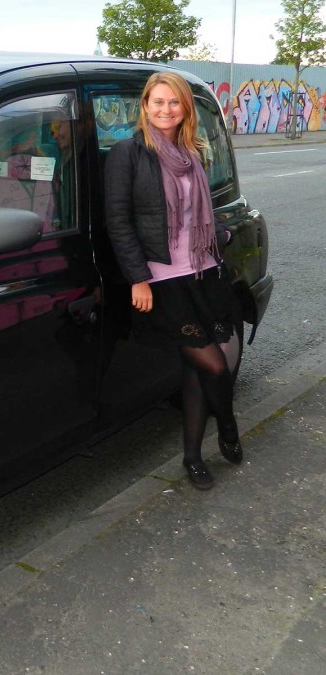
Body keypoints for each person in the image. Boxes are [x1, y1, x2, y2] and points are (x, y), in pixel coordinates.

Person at [104, 71, 242, 490]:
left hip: (202, 271)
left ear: (185, 109)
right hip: (163, 279)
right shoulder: (127, 154)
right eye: (157, 102)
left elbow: (199, 214)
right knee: (213, 363)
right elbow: (119, 221)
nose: (166, 110)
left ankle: (193, 458)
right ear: (144, 106)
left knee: (195, 371)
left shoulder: (190, 153)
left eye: (174, 103)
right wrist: (138, 279)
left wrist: (221, 235)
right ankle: (229, 425)